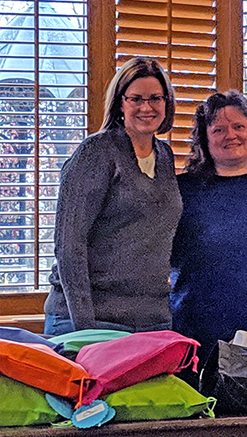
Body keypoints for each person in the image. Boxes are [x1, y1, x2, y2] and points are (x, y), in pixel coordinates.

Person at [44, 58, 182, 335]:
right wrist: (85, 328)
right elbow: (69, 246)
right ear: (120, 103)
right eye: (136, 99)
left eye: (155, 98)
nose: (147, 107)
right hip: (92, 320)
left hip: (151, 319)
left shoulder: (165, 155)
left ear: (167, 103)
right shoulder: (96, 152)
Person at [170, 90, 247, 360]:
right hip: (199, 336)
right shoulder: (182, 190)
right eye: (219, 130)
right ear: (204, 138)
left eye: (239, 126)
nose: (231, 135)